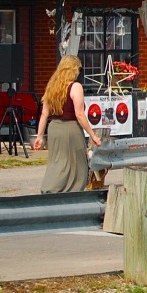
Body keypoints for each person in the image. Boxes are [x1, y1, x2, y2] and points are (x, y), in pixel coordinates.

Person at [31, 55, 102, 193]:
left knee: (57, 162)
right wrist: (92, 135)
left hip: (54, 128)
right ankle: (69, 191)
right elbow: (79, 114)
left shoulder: (51, 87)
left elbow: (44, 113)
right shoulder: (75, 87)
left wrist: (40, 136)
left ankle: (49, 188)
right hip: (71, 129)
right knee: (78, 162)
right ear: (74, 69)